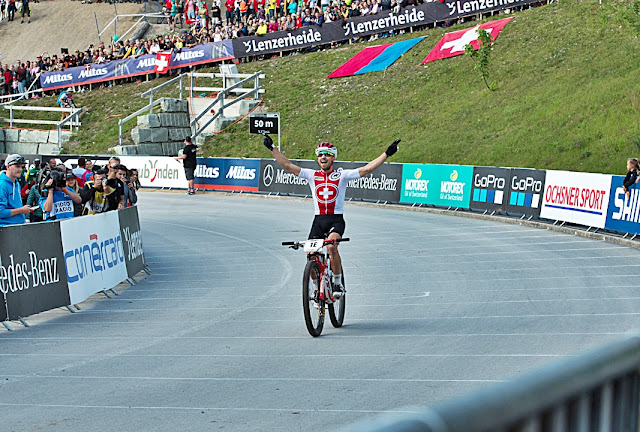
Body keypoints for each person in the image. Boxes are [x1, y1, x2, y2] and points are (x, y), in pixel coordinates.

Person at [262, 134, 400, 297]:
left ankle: (337, 282)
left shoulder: (342, 175)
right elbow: (287, 165)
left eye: (327, 154)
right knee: (310, 255)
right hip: (318, 220)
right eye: (320, 154)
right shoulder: (311, 175)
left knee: (331, 247)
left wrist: (387, 153)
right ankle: (315, 287)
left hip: (336, 219)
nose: (323, 157)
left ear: (333, 157)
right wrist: (273, 149)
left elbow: (367, 169)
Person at [0, 154, 32, 226]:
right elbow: (1, 212)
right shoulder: (2, 185)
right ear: (8, 167)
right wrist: (21, 210)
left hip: (17, 226)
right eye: (17, 166)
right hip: (6, 229)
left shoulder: (16, 183)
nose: (20, 169)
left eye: (21, 167)